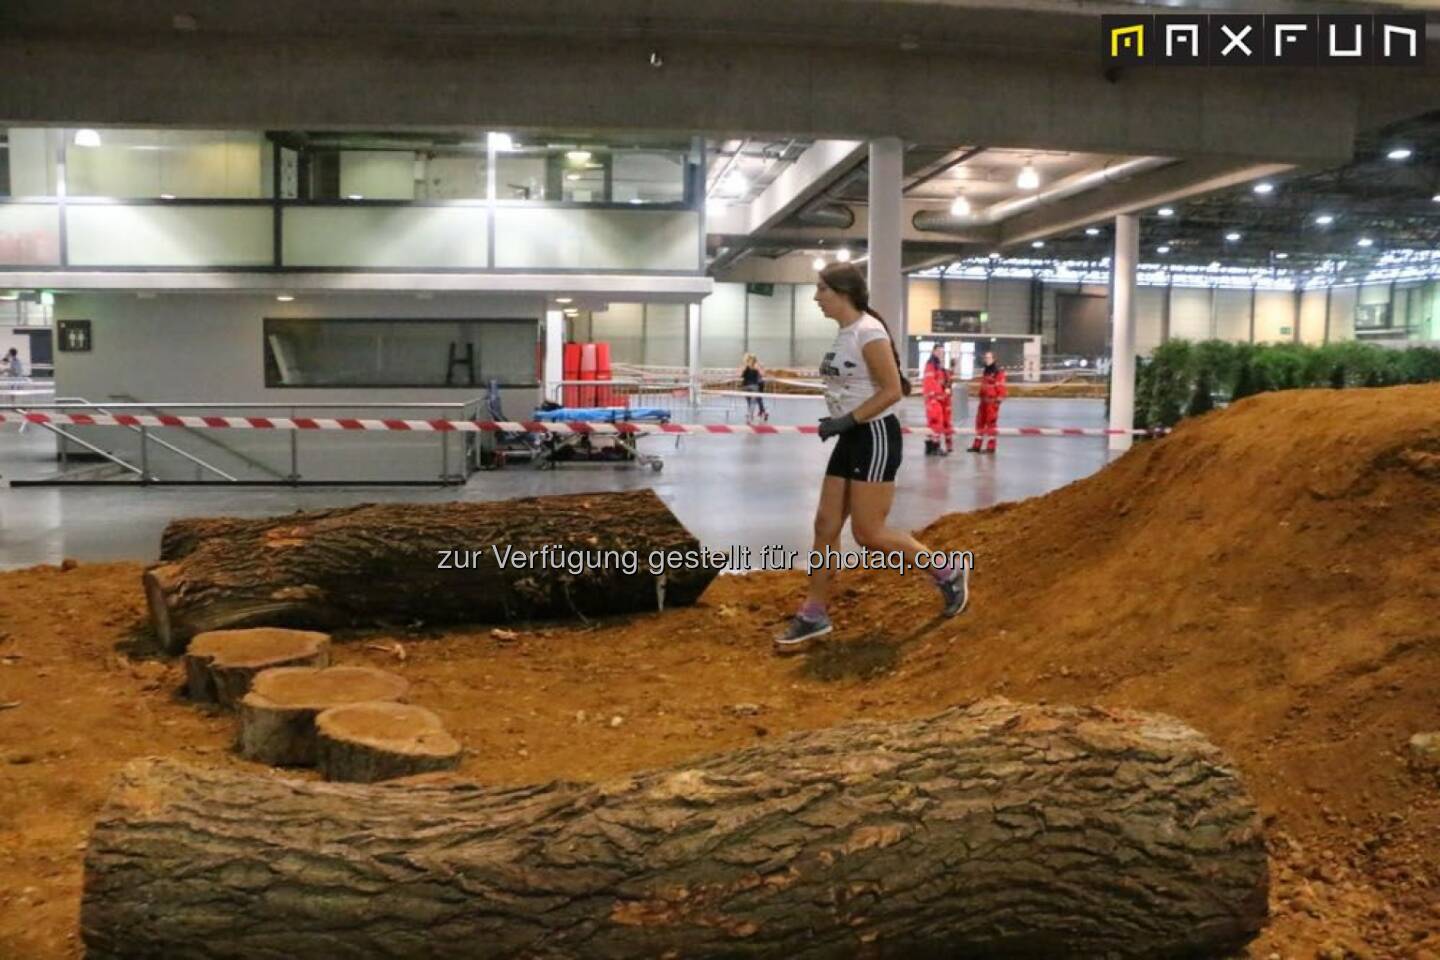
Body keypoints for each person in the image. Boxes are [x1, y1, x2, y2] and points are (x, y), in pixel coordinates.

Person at [774, 263, 970, 655]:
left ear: (842, 292)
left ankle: (948, 573)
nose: (816, 298)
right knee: (825, 524)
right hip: (852, 435)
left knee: (869, 534)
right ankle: (815, 614)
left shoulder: (868, 331)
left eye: (821, 290)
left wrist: (847, 419)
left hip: (875, 435)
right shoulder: (846, 333)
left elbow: (893, 390)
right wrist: (841, 419)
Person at [969, 350, 1007, 454]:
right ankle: (976, 445)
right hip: (983, 402)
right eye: (986, 358)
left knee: (991, 424)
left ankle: (991, 447)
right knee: (979, 423)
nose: (986, 359)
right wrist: (979, 394)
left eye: (989, 358)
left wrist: (998, 399)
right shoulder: (986, 370)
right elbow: (984, 385)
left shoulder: (997, 372)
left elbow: (1001, 387)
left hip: (992, 402)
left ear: (993, 359)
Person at [922, 344, 952, 456]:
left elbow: (942, 381)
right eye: (938, 351)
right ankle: (935, 446)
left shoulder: (938, 366)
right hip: (933, 398)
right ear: (933, 351)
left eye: (942, 352)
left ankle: (930, 447)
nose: (940, 353)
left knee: (932, 423)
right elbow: (930, 382)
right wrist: (934, 396)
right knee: (936, 422)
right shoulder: (931, 365)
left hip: (938, 398)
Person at [739, 353, 768, 424]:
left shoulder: (744, 366)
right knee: (753, 402)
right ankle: (750, 416)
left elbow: (740, 375)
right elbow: (763, 374)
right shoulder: (756, 366)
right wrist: (761, 368)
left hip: (745, 386)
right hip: (754, 386)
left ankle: (752, 414)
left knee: (750, 402)